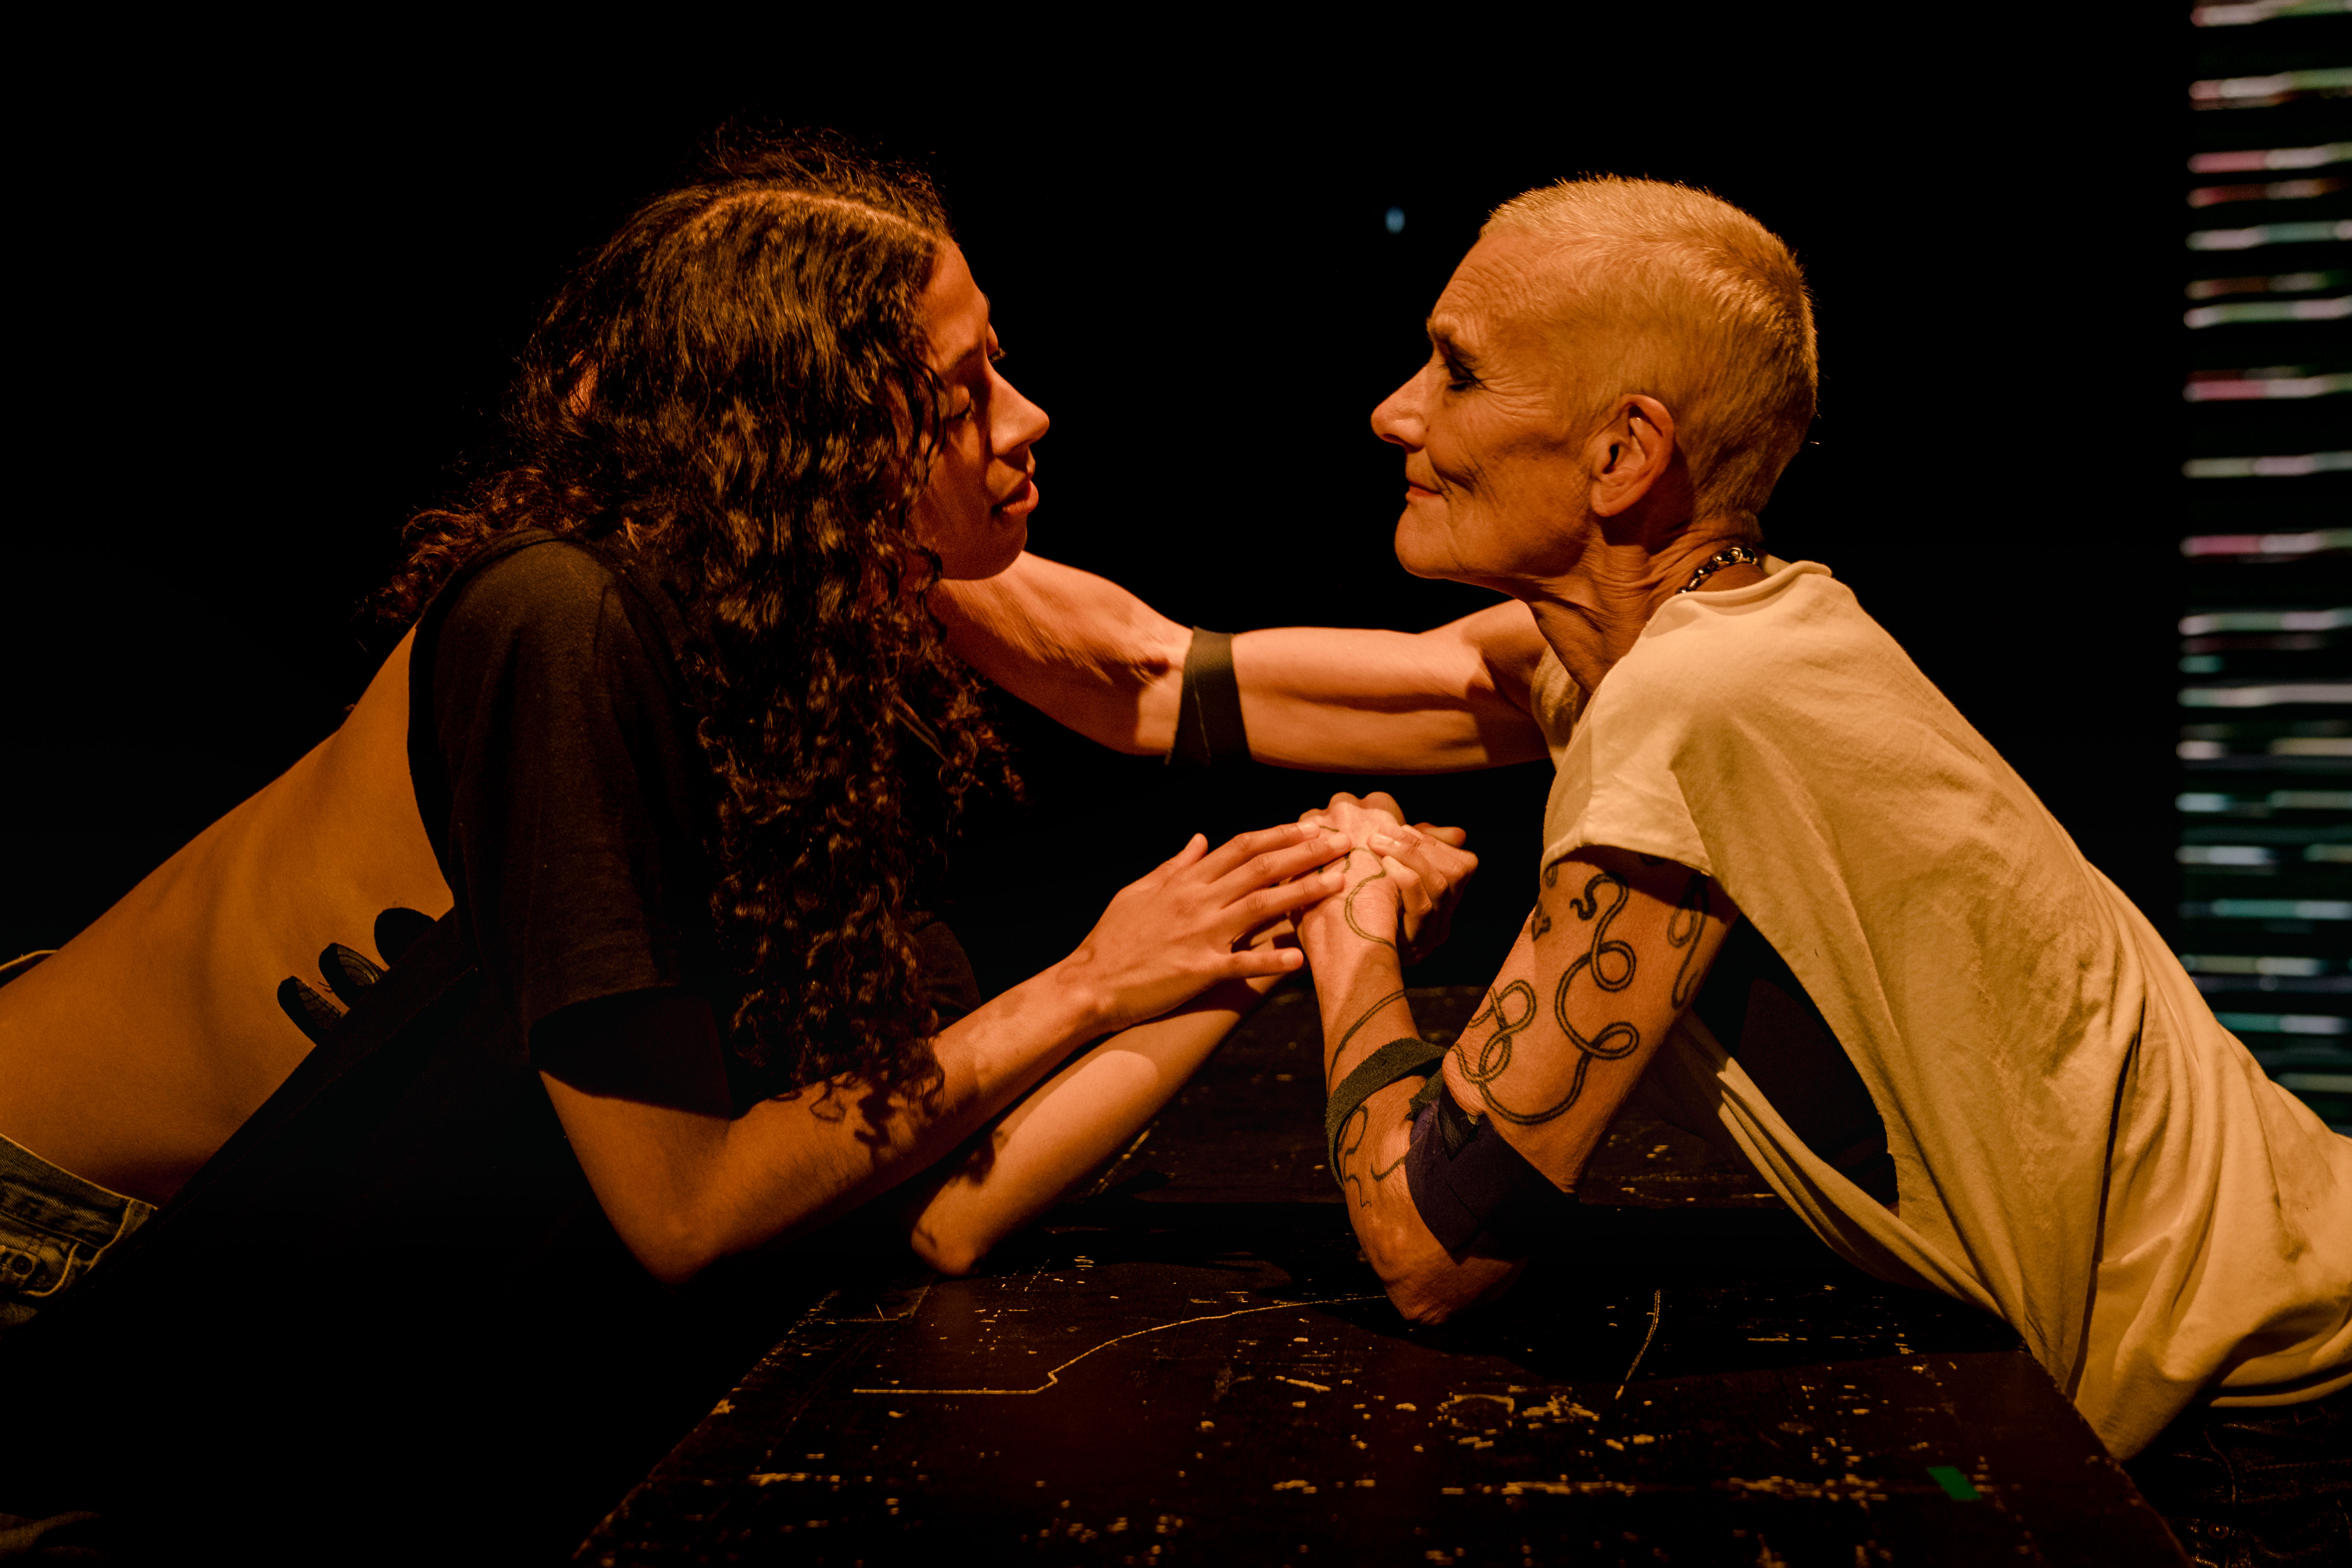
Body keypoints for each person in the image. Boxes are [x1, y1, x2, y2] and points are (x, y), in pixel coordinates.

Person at [932, 174, 2351, 1502]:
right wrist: (868, 521)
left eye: (1457, 371)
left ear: (1621, 454)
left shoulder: (1689, 705)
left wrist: (1350, 932)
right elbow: (1154, 680)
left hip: (2265, 1413)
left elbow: (1433, 1247)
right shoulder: (1705, 634)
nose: (1392, 411)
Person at [0, 134, 1464, 1342]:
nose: (1027, 419)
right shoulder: (561, 625)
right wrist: (1088, 980)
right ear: (816, 440)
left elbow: (928, 1204)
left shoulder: (803, 646)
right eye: (959, 393)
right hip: (49, 1231)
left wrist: (1267, 931)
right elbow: (688, 1211)